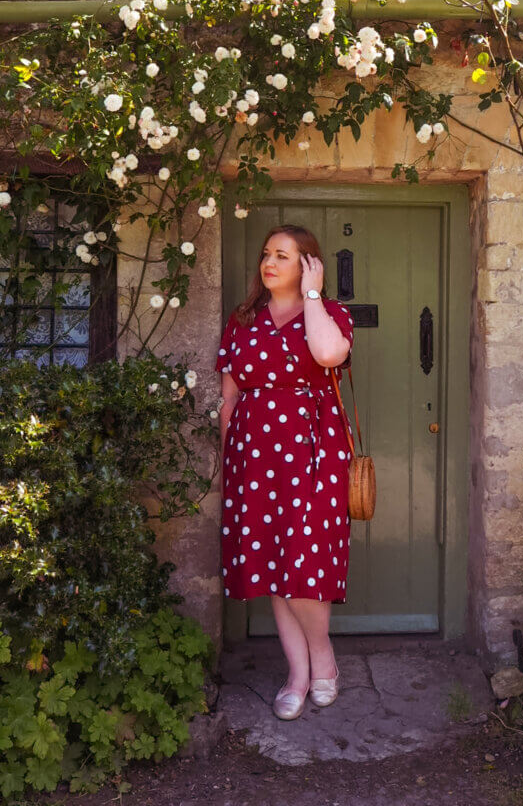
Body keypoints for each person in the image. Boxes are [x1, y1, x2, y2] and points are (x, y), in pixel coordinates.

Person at [215, 224, 355, 721]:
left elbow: (327, 354)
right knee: (275, 563)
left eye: (283, 255)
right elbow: (230, 393)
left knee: (305, 560)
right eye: (266, 253)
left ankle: (325, 660)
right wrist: (231, 447)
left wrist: (314, 295)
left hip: (314, 450)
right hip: (254, 455)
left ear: (307, 265)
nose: (269, 263)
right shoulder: (243, 319)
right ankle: (298, 674)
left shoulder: (329, 313)